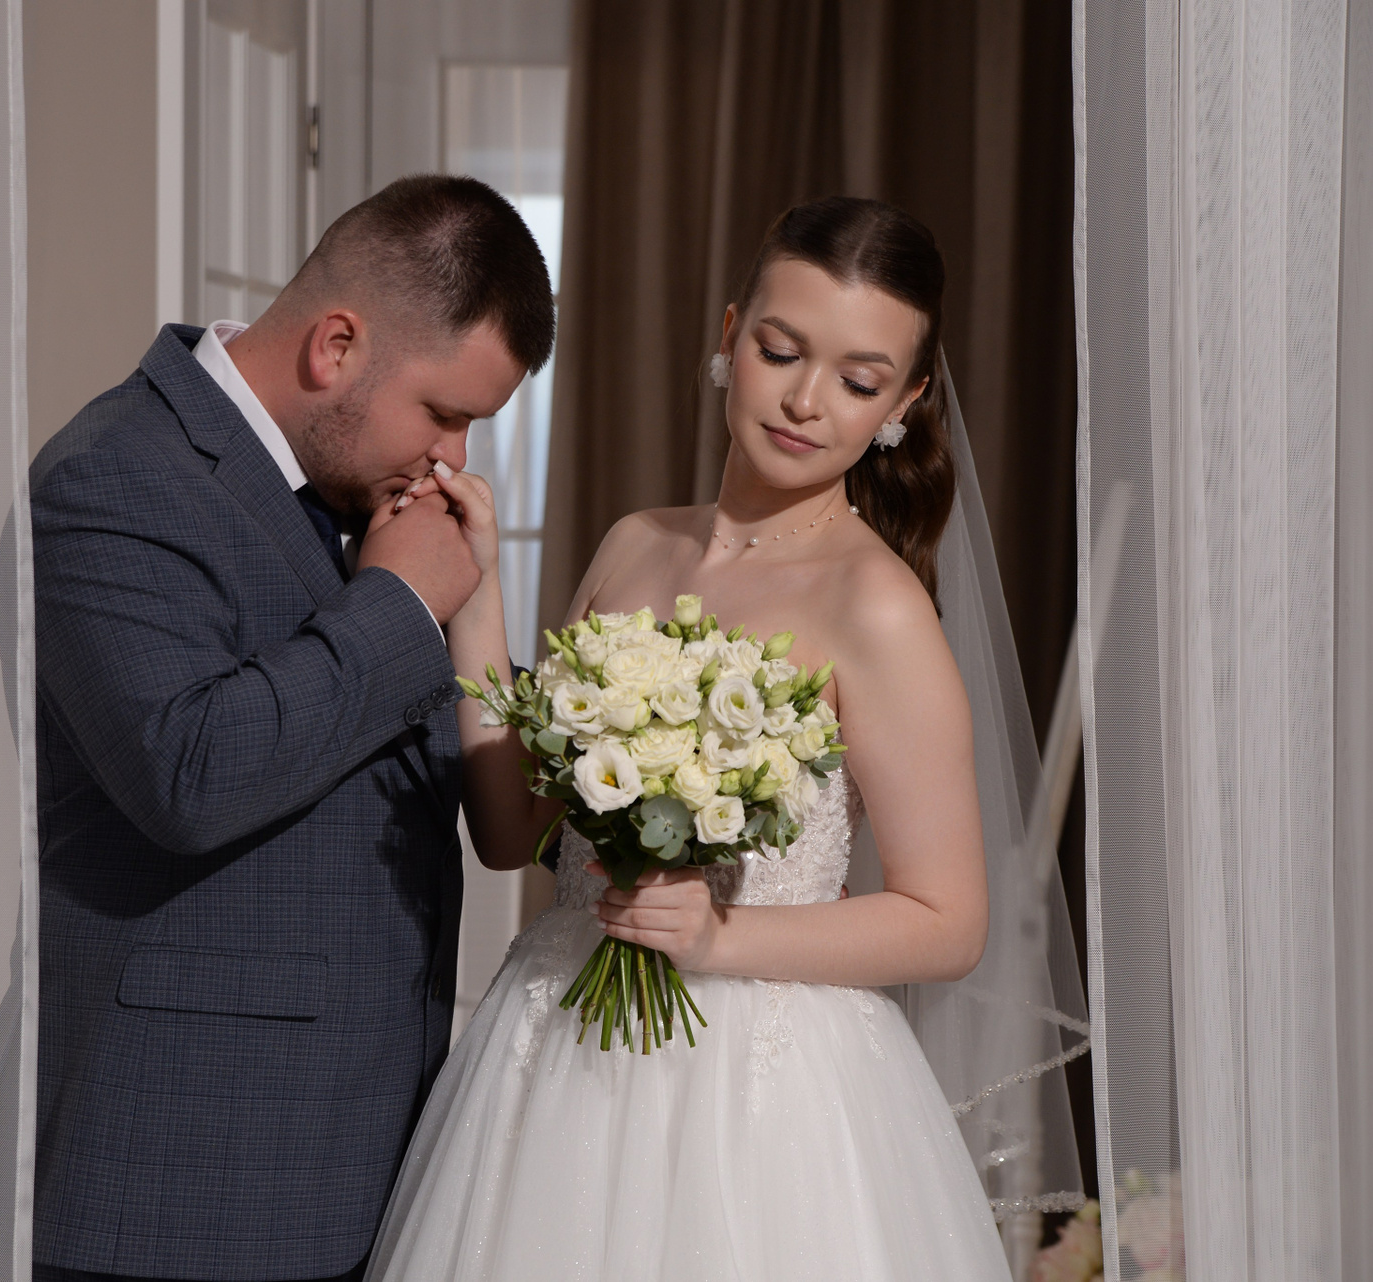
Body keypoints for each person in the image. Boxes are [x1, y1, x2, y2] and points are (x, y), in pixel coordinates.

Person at [366, 196, 1020, 1280]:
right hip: (558, 1047)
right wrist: (476, 598)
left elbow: (949, 923)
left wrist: (717, 941)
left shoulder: (877, 606)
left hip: (760, 1097)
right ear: (729, 336)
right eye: (781, 351)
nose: (806, 401)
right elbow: (510, 829)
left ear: (904, 403)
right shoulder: (635, 545)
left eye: (859, 382)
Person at [7, 174, 554, 1282]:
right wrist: (399, 602)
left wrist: (466, 604)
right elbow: (189, 774)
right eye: (444, 412)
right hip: (187, 1183)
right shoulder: (109, 476)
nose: (453, 456)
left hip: (363, 1159)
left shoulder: (366, 500)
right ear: (336, 346)